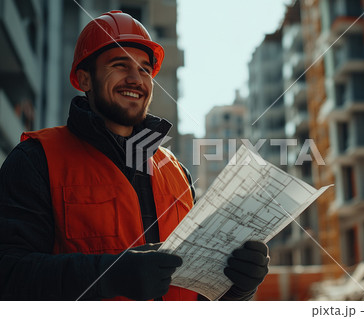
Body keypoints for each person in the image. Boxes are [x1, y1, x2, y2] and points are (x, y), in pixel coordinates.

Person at [0, 10, 269, 301]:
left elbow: (195, 297)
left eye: (144, 69)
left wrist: (239, 286)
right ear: (84, 79)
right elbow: (9, 275)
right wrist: (109, 276)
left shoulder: (176, 172)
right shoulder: (37, 159)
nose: (135, 79)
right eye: (119, 65)